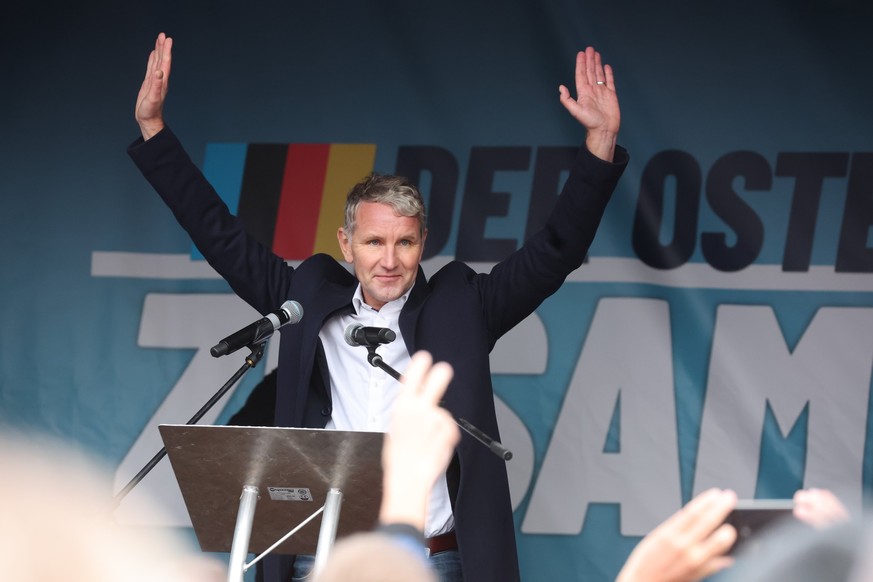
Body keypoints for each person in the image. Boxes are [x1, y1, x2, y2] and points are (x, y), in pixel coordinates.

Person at [130, 32, 627, 582]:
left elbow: (554, 251)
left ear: (423, 243)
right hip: (320, 559)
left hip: (434, 560)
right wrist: (154, 131)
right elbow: (216, 233)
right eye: (373, 243)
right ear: (346, 244)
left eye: (405, 243)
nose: (389, 261)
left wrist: (600, 142)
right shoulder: (306, 297)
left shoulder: (463, 305)